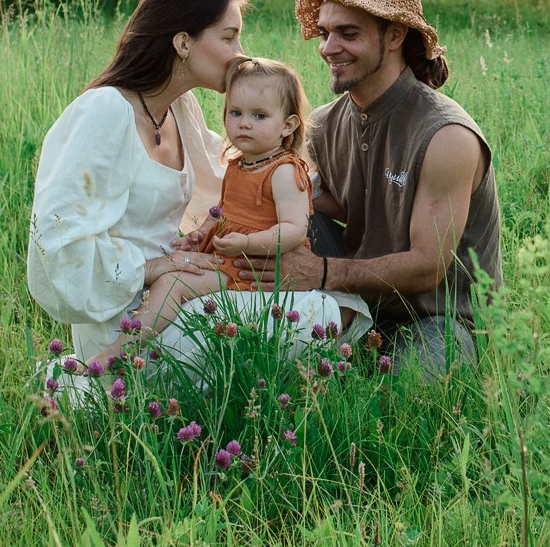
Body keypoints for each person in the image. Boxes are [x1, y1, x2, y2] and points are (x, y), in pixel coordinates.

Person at [26, 0, 361, 394]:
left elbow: (239, 177)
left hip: (178, 293)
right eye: (229, 37)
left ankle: (130, 389)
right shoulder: (105, 110)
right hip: (126, 312)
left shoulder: (175, 109)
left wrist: (340, 199)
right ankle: (102, 379)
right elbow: (56, 245)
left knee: (339, 305)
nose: (240, 55)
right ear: (183, 43)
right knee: (338, 310)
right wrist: (151, 267)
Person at [229, 0, 501, 375]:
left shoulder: (447, 136)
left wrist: (319, 272)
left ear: (394, 35)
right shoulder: (319, 126)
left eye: (348, 33)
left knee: (412, 395)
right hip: (353, 307)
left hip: (435, 319)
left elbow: (428, 268)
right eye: (324, 32)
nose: (328, 48)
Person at [78, 56, 362, 372]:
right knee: (175, 270)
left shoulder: (284, 172)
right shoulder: (240, 164)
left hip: (258, 266)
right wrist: (203, 230)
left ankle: (120, 350)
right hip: (233, 255)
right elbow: (224, 208)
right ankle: (138, 343)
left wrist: (248, 243)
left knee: (174, 283)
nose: (244, 123)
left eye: (259, 115)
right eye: (236, 112)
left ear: (288, 125)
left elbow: (294, 229)